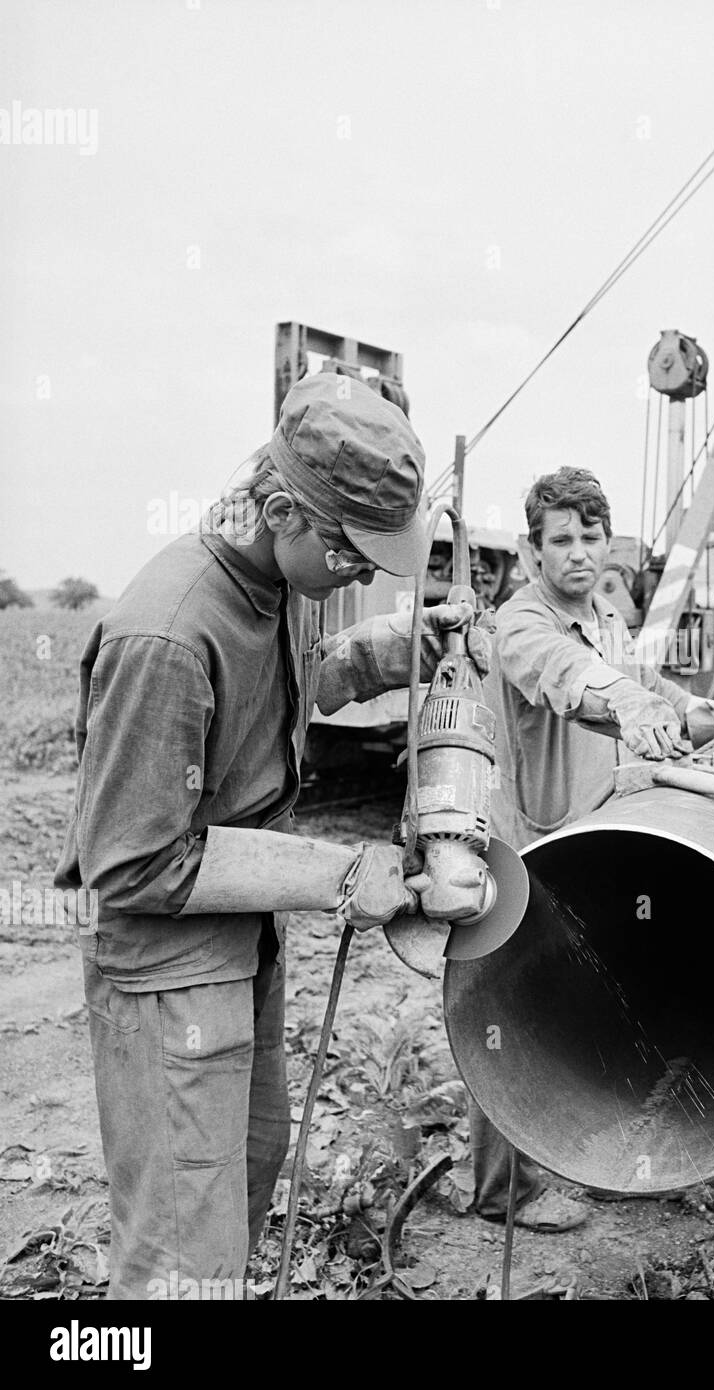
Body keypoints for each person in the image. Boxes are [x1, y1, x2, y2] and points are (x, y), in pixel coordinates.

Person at [53, 373, 486, 1299]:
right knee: (180, 1250)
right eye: (354, 553)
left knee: (246, 1169)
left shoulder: (268, 582)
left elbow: (281, 691)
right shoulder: (166, 636)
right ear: (282, 508)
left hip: (239, 951)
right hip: (171, 979)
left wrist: (387, 647)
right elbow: (132, 864)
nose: (364, 573)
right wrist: (338, 874)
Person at [469, 466, 714, 1230]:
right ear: (531, 552)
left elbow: (652, 684)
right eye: (560, 541)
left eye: (590, 538)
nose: (578, 554)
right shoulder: (522, 625)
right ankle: (505, 1193)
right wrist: (623, 700)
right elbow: (573, 680)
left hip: (588, 843)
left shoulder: (607, 617)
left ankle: (565, 1148)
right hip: (528, 849)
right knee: (510, 1012)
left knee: (576, 999)